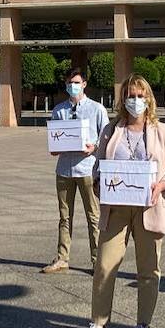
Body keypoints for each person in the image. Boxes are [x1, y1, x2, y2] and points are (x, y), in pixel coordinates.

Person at [76, 74, 165, 328]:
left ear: (149, 99)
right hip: (117, 209)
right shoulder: (111, 130)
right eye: (130, 96)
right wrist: (99, 183)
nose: (135, 101)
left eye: (140, 95)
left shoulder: (162, 131)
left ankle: (143, 326)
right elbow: (98, 166)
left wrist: (161, 185)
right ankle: (99, 323)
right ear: (122, 99)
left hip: (150, 207)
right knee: (104, 266)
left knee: (148, 270)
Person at [41, 68, 108, 274]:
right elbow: (55, 137)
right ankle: (62, 257)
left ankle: (98, 260)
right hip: (64, 170)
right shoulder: (59, 109)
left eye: (76, 82)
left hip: (87, 169)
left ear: (84, 84)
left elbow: (105, 138)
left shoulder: (97, 109)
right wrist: (54, 148)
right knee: (64, 216)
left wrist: (94, 148)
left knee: (93, 216)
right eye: (70, 82)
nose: (73, 86)